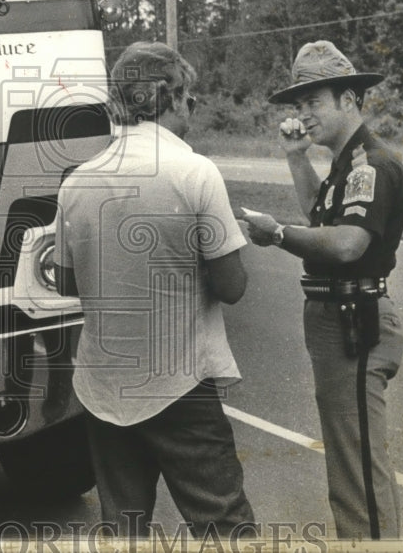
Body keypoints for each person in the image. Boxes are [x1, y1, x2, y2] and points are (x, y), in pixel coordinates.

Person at [54, 41, 257, 540]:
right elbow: (232, 287)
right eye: (190, 99)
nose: (192, 109)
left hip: (104, 386)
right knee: (225, 524)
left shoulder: (76, 182)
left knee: (123, 528)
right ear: (172, 96)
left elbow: (64, 282)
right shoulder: (194, 172)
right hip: (180, 381)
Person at [240, 40, 403, 540]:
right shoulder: (344, 164)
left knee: (357, 473)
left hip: (355, 319)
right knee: (350, 463)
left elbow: (350, 243)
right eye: (298, 105)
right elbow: (322, 213)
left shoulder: (371, 164)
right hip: (339, 320)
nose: (303, 115)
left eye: (314, 101)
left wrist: (277, 235)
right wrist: (296, 159)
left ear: (349, 100)